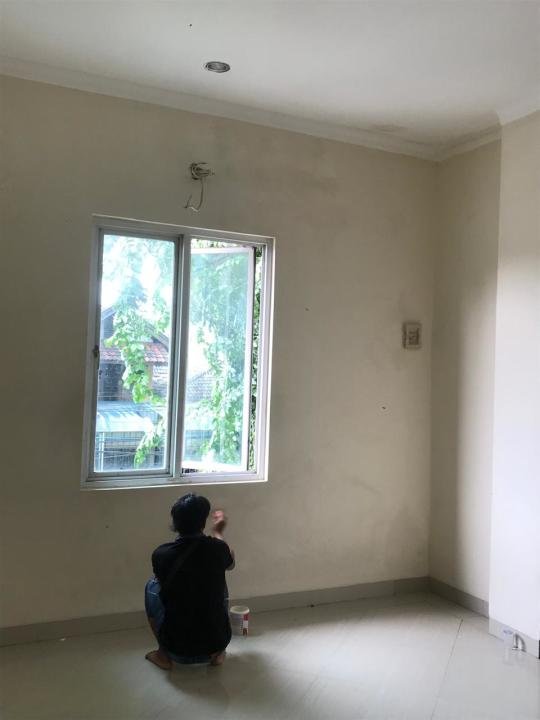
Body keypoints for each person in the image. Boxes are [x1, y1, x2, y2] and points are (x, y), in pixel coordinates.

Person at [144, 493, 235, 670]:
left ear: (175, 522)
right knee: (218, 580)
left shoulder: (161, 554)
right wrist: (217, 532)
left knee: (152, 585)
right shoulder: (218, 549)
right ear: (203, 523)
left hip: (176, 648)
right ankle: (218, 653)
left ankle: (163, 655)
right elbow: (230, 564)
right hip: (216, 642)